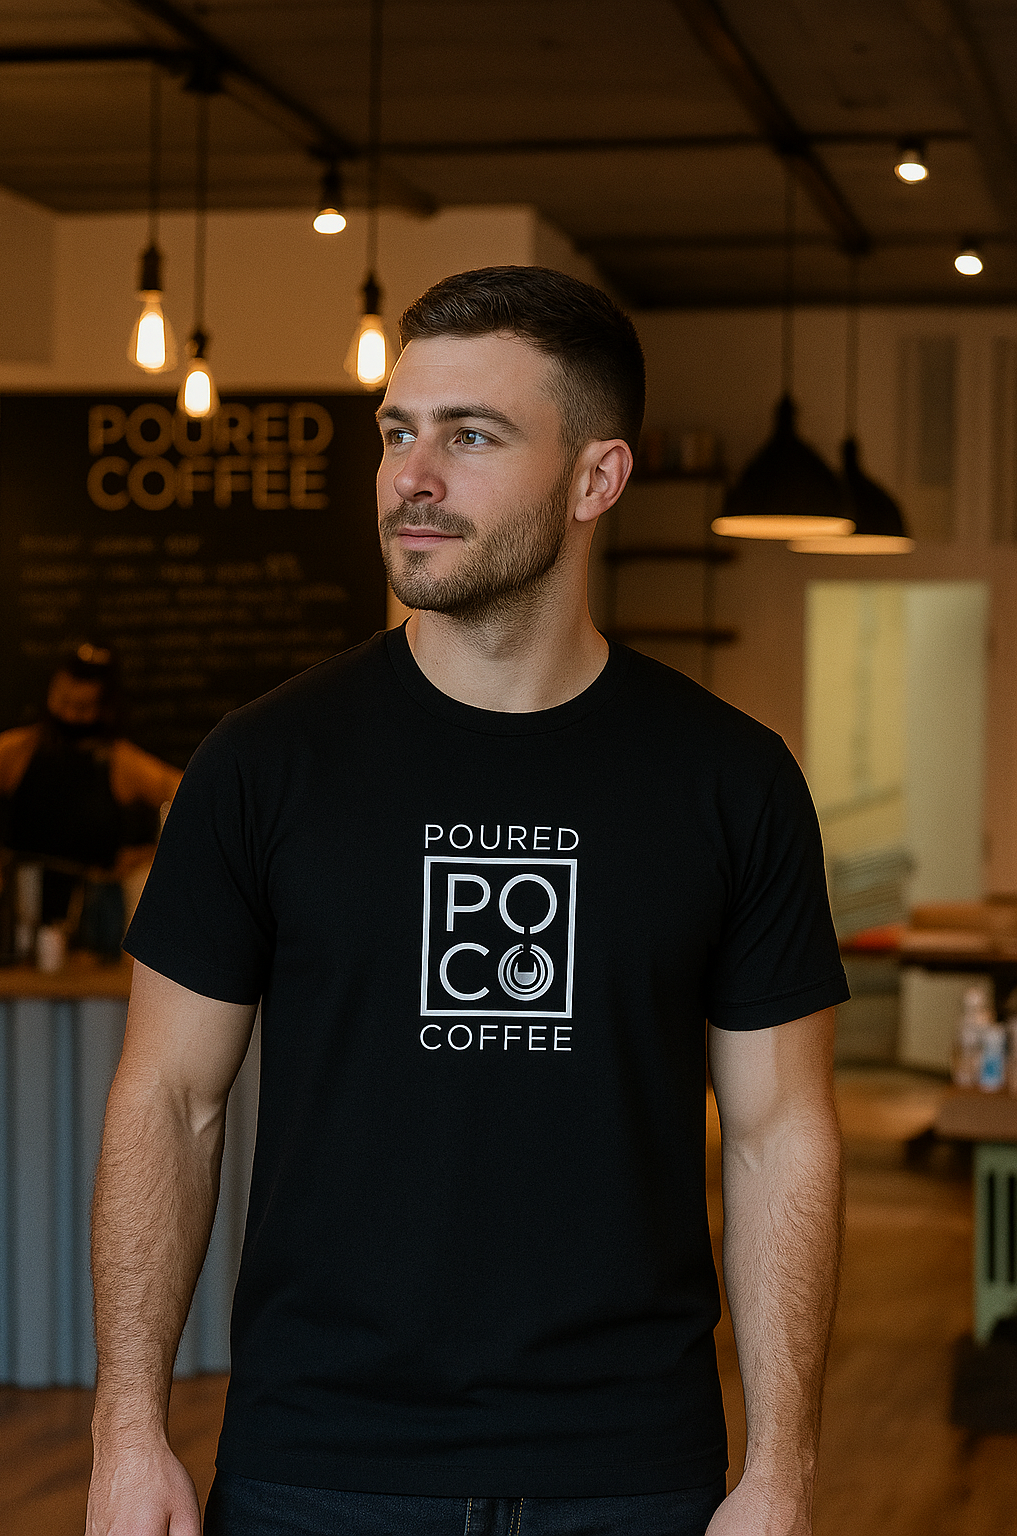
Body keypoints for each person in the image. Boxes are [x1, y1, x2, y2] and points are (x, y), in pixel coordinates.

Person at [86, 267, 848, 1536]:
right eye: (397, 431)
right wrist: (125, 1434)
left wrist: (781, 1474)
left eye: (470, 435)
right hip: (315, 1465)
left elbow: (782, 1137)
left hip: (630, 1469)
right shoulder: (263, 764)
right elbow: (168, 1099)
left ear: (597, 479)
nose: (410, 475)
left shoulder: (729, 780)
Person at [0, 644, 181, 952]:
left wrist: (149, 855)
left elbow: (193, 794)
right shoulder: (12, 751)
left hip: (94, 917)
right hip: (17, 909)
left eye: (81, 708)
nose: (68, 715)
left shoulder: (124, 763)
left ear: (104, 709)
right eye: (62, 702)